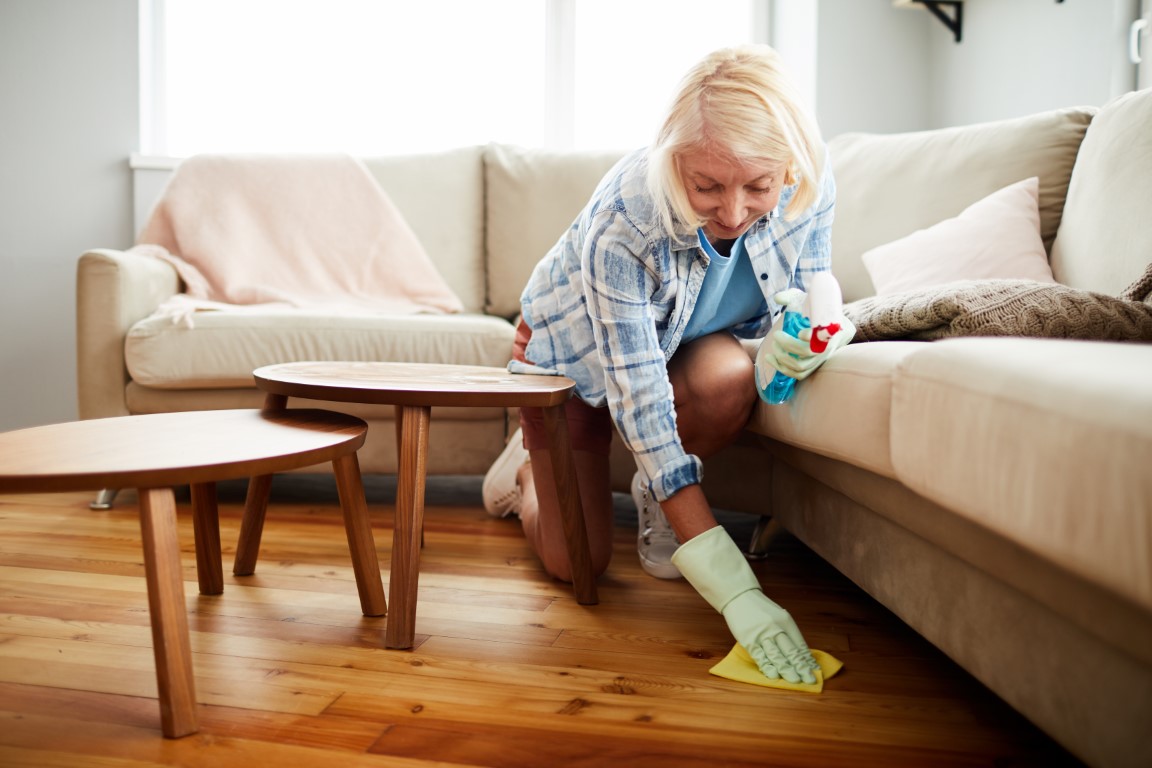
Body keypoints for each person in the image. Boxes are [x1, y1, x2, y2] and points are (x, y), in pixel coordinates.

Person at [482, 44, 853, 685]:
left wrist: (810, 333)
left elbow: (809, 290)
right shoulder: (626, 221)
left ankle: (658, 498)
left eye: (758, 187)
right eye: (706, 185)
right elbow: (640, 395)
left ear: (787, 166)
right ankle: (525, 473)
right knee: (580, 564)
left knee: (729, 376)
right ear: (671, 158)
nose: (733, 215)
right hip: (572, 363)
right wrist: (734, 588)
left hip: (684, 339)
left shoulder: (808, 183)